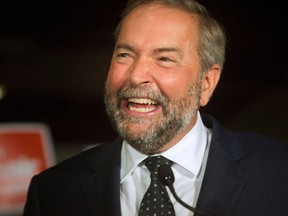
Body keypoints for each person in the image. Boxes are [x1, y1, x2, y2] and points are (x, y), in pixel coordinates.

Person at [23, 0, 288, 215]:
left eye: (164, 59)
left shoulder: (278, 172)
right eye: (124, 55)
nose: (136, 75)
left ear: (206, 83)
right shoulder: (52, 192)